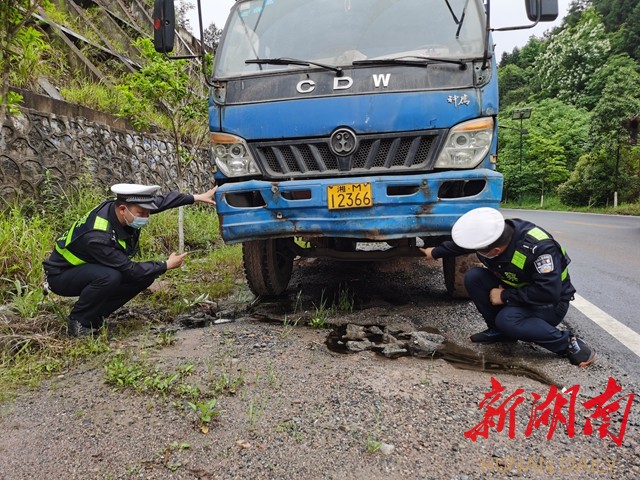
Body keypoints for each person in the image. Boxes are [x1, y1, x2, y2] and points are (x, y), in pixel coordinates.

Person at [419, 207, 596, 367]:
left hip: (549, 303)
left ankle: (568, 343)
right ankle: (500, 332)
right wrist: (435, 252)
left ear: (496, 251)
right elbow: (465, 246)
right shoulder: (496, 234)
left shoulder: (540, 249)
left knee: (508, 319)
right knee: (474, 277)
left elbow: (548, 292)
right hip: (518, 289)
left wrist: (504, 296)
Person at [43, 183, 218, 337]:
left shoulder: (123, 209)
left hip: (88, 267)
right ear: (122, 209)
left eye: (148, 212)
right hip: (61, 275)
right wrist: (165, 265)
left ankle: (96, 317)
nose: (146, 217)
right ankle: (79, 321)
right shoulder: (98, 236)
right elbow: (130, 269)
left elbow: (161, 202)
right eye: (142, 213)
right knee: (110, 277)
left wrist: (196, 197)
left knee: (145, 276)